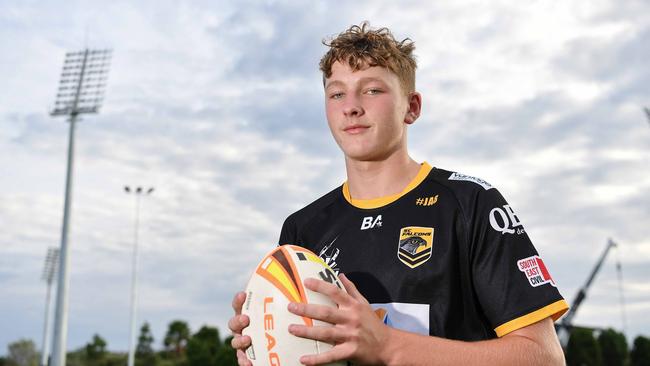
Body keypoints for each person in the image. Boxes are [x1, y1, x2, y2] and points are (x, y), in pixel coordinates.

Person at [228, 22, 569, 365]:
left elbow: (544, 357)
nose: (352, 106)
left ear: (412, 107)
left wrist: (387, 345)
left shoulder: (470, 203)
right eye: (336, 93)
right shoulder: (304, 228)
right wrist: (263, 349)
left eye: (372, 90)